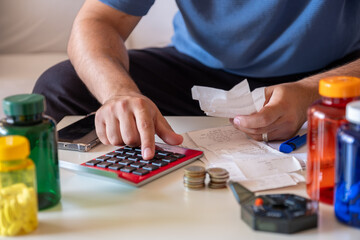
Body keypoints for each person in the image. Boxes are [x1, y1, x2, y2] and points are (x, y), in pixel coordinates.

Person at [33, 0, 360, 160]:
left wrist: (310, 91)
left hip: (333, 73)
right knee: (62, 86)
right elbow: (98, 20)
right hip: (196, 68)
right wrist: (118, 94)